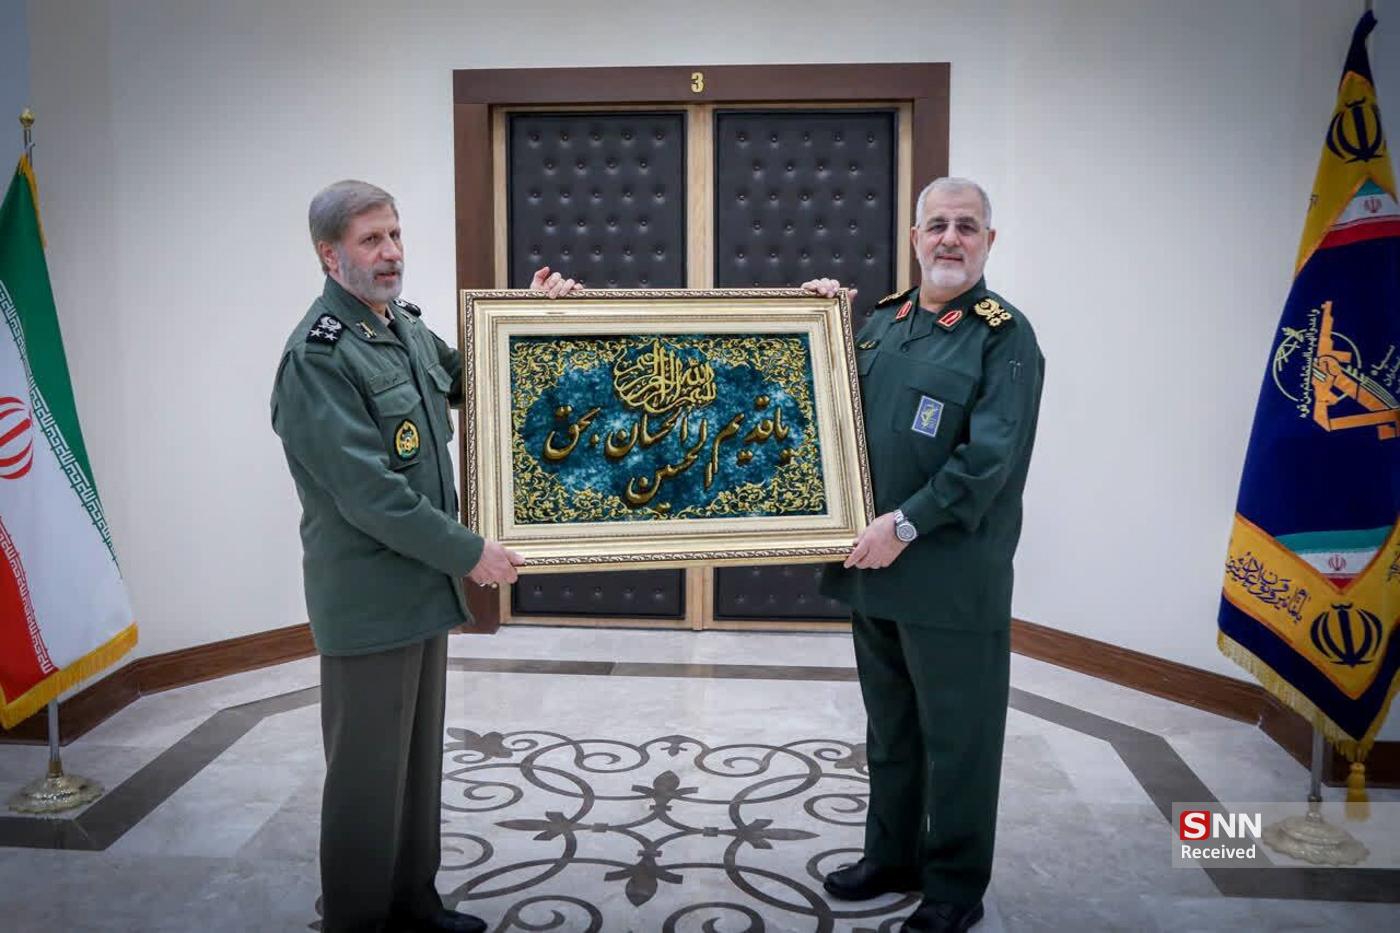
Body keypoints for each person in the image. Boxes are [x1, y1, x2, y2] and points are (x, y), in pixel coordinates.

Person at [270, 179, 579, 932]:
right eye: (371, 240)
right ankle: (357, 919)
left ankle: (413, 903)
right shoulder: (318, 357)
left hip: (419, 588)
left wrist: (532, 318)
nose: (391, 253)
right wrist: (470, 552)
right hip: (369, 599)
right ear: (330, 255)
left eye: (396, 234)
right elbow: (369, 495)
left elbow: (476, 380)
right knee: (366, 778)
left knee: (413, 767)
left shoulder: (401, 326)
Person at [803, 176, 1044, 933]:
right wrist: (811, 322)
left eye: (966, 226)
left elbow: (987, 461)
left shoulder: (1005, 336)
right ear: (914, 237)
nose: (950, 238)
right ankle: (891, 856)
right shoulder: (881, 321)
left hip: (949, 580)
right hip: (872, 574)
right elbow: (824, 407)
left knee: (959, 740)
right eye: (937, 224)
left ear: (988, 242)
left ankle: (955, 885)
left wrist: (903, 527)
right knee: (892, 730)